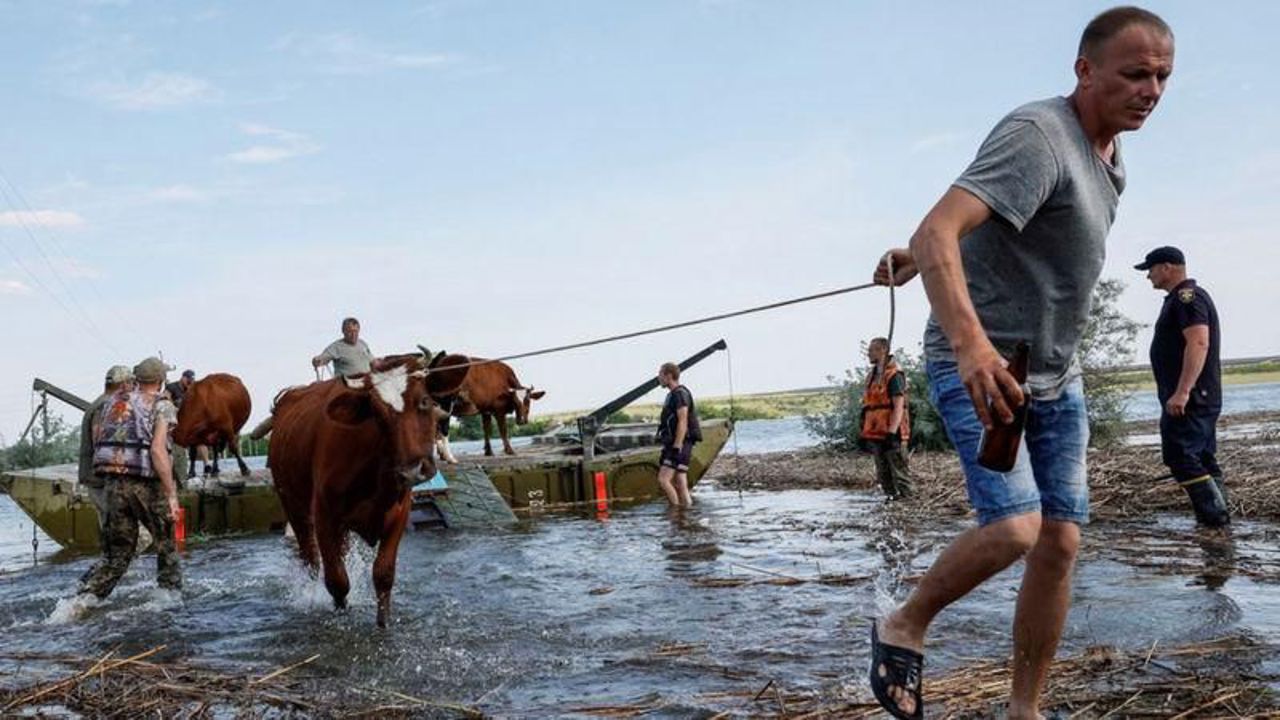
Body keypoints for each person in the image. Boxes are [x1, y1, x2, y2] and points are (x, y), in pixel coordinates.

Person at [867, 8, 1174, 719]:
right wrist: (970, 341)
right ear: (1085, 70)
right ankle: (903, 623)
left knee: (1060, 543)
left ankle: (1023, 710)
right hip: (986, 364)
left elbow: (1022, 231)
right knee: (1014, 528)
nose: (1152, 90)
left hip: (1057, 375)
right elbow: (937, 228)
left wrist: (928, 259)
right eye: (1136, 73)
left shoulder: (1110, 157)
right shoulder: (1039, 135)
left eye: (1163, 76)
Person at [78, 356, 183, 600]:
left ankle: (80, 603)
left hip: (112, 484)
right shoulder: (163, 406)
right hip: (145, 485)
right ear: (161, 379)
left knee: (117, 556)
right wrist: (171, 495)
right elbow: (157, 451)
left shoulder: (112, 402)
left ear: (138, 378)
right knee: (166, 546)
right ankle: (169, 601)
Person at [1137, 246, 1227, 527]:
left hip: (1193, 397)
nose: (1148, 276)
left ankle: (1215, 519)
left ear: (1167, 267)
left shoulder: (1188, 298)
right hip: (1196, 395)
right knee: (1201, 456)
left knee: (1180, 455)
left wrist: (1183, 391)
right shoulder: (1180, 299)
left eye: (1150, 269)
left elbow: (1199, 342)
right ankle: (1217, 523)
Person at [78, 365, 134, 532]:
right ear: (123, 385)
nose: (133, 387)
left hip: (98, 478)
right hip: (103, 480)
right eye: (131, 383)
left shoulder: (101, 403)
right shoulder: (105, 406)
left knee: (110, 529)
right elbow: (100, 442)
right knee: (119, 529)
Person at [860, 338, 913, 499]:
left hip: (893, 432)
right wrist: (863, 431)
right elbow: (868, 406)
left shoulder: (894, 375)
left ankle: (907, 502)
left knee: (900, 473)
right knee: (883, 474)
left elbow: (898, 406)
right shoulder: (872, 376)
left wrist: (892, 432)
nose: (868, 354)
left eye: (871, 350)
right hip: (876, 432)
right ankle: (891, 500)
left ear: (882, 350)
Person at [655, 362, 701, 507]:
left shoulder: (680, 394)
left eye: (660, 374)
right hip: (679, 442)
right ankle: (686, 510)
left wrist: (677, 446)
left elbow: (683, 420)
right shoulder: (672, 395)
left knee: (663, 479)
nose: (658, 378)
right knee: (680, 480)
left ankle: (675, 511)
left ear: (669, 376)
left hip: (680, 443)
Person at [312, 317, 376, 378]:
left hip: (366, 381)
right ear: (343, 331)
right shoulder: (336, 347)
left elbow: (372, 360)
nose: (353, 334)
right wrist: (318, 360)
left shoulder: (362, 344)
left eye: (355, 331)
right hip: (347, 383)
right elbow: (323, 358)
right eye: (350, 331)